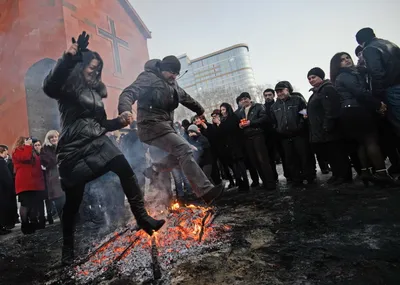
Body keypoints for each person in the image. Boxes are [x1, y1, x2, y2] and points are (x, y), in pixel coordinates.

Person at [42, 32, 165, 265]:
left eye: (98, 68)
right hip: (73, 150)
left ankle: (142, 217)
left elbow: (101, 125)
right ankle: (67, 249)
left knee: (123, 166)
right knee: (73, 204)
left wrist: (119, 121)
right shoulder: (68, 87)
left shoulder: (96, 94)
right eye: (91, 66)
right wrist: (68, 58)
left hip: (97, 142)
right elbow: (50, 85)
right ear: (81, 65)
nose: (94, 71)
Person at [118, 55, 224, 204]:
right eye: (171, 72)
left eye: (176, 73)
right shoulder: (148, 78)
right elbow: (129, 93)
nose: (173, 76)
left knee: (187, 151)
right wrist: (125, 110)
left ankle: (154, 169)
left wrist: (200, 110)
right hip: (150, 125)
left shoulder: (173, 85)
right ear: (162, 69)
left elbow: (187, 98)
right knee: (183, 149)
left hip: (166, 126)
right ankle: (205, 191)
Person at [330, 52, 396, 186]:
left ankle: (365, 172)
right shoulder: (345, 75)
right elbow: (359, 92)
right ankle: (381, 173)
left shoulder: (342, 76)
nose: (347, 60)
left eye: (347, 57)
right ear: (337, 64)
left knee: (361, 143)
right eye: (342, 60)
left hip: (349, 111)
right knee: (371, 140)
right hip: (357, 110)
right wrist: (378, 104)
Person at [306, 67, 351, 185]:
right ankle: (336, 174)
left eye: (313, 77)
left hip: (330, 128)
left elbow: (331, 109)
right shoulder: (317, 91)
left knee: (337, 153)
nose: (311, 80)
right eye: (309, 78)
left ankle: (344, 175)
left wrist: (327, 125)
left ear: (321, 76)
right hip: (321, 130)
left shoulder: (327, 88)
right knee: (331, 154)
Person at [355, 27, 400, 136]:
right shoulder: (390, 44)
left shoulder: (369, 49)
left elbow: (377, 73)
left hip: (392, 89)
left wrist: (377, 97)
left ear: (361, 43)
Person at [271, 81, 316, 186]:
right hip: (285, 137)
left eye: (281, 90)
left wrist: (300, 126)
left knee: (305, 156)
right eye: (277, 91)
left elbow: (304, 114)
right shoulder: (274, 106)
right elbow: (273, 121)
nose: (279, 93)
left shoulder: (298, 100)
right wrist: (278, 129)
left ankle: (310, 177)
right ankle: (296, 179)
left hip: (299, 135)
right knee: (290, 159)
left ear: (287, 90)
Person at [237, 92, 276, 190]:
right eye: (241, 99)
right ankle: (265, 182)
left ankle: (271, 183)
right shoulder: (241, 111)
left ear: (250, 99)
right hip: (247, 137)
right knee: (255, 162)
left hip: (258, 135)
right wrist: (240, 125)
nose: (244, 101)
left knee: (263, 160)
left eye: (245, 98)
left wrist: (251, 123)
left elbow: (264, 118)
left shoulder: (258, 106)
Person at [41, 130, 65, 221]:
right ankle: (63, 219)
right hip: (54, 177)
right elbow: (48, 162)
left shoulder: (62, 146)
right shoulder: (45, 149)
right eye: (52, 137)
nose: (54, 139)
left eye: (55, 137)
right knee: (59, 200)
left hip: (64, 176)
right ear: (48, 139)